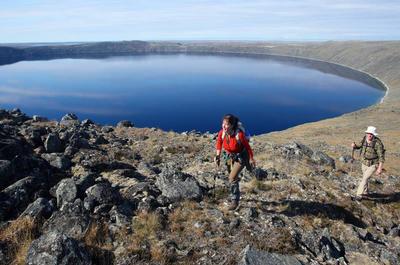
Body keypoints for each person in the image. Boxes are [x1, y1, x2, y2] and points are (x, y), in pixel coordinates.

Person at [214, 114, 256, 210]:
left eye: (227, 124)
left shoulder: (239, 135)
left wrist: (251, 158)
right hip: (229, 156)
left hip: (241, 157)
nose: (224, 126)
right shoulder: (222, 133)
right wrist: (217, 156)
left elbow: (247, 147)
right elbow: (219, 143)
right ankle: (235, 187)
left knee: (232, 178)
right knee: (232, 177)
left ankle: (235, 201)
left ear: (232, 125)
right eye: (223, 124)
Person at [351, 126, 385, 201]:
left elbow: (381, 157)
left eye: (371, 134)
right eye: (368, 133)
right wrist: (355, 146)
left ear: (374, 135)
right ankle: (365, 193)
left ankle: (358, 195)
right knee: (365, 179)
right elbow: (359, 146)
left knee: (364, 179)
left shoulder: (378, 143)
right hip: (364, 163)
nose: (369, 135)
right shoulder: (364, 139)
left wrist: (379, 168)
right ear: (366, 133)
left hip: (373, 164)